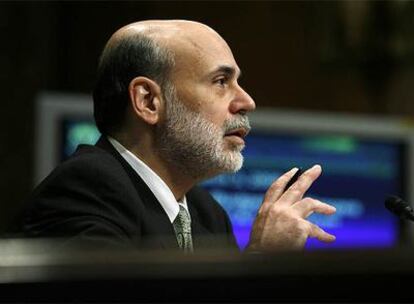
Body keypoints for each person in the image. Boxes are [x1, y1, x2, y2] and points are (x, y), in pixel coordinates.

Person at [21, 20, 336, 252]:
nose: (246, 102)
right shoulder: (86, 190)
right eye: (221, 81)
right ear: (148, 101)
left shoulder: (208, 216)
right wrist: (262, 261)